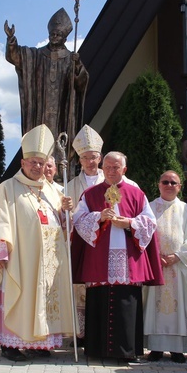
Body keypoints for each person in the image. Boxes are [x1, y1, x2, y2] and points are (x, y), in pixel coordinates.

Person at [0, 124, 74, 362]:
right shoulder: (8, 187)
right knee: (19, 294)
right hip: (21, 258)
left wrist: (67, 214)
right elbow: (0, 219)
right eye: (32, 162)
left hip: (49, 259)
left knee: (45, 298)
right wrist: (1, 249)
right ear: (23, 163)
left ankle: (40, 344)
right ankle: (10, 344)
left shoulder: (53, 191)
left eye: (41, 163)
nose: (37, 167)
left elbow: (62, 226)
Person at [73, 152, 163, 363]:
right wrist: (98, 217)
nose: (112, 171)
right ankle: (96, 350)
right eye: (108, 167)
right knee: (98, 302)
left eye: (116, 167)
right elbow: (78, 219)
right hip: (99, 258)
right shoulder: (90, 194)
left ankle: (127, 350)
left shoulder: (136, 194)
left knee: (126, 304)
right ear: (102, 168)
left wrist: (130, 224)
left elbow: (150, 222)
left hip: (127, 259)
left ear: (124, 170)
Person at [4, 9, 89, 158]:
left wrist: (77, 67)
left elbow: (81, 83)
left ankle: (59, 169)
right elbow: (17, 57)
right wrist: (12, 40)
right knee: (39, 144)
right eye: (52, 34)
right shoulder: (36, 56)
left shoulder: (71, 59)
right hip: (40, 112)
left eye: (58, 35)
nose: (54, 37)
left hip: (62, 114)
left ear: (65, 38)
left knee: (61, 142)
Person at [144, 171, 187, 363]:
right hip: (156, 266)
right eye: (165, 182)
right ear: (159, 184)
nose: (169, 185)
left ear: (179, 186)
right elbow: (143, 233)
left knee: (179, 307)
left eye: (173, 182)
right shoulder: (149, 208)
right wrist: (155, 256)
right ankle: (155, 349)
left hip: (179, 267)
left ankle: (178, 350)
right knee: (154, 307)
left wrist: (178, 256)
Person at [65, 124, 105, 342]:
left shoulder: (110, 182)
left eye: (94, 157)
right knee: (80, 286)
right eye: (86, 157)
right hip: (80, 244)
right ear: (79, 160)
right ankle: (80, 334)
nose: (90, 161)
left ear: (100, 158)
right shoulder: (70, 186)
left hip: (104, 243)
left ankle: (99, 331)